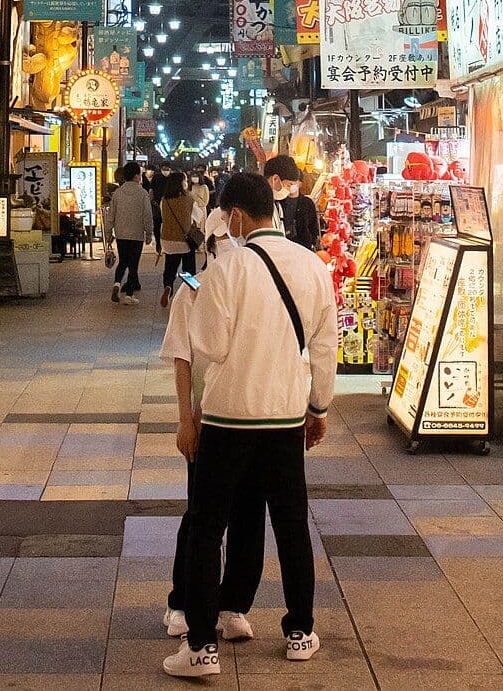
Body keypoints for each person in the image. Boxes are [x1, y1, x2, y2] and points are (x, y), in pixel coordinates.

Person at [165, 172, 337, 677]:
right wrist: (319, 408)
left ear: (236, 214)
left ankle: (201, 648)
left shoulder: (226, 269)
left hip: (228, 418)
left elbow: (210, 345)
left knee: (207, 527)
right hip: (285, 417)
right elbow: (324, 347)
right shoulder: (313, 266)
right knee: (291, 525)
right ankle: (300, 631)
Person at [158, 260, 266, 649]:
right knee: (201, 515)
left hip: (254, 416)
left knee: (249, 512)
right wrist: (185, 419)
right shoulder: (192, 291)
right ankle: (182, 602)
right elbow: (182, 358)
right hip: (208, 421)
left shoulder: (259, 287)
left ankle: (234, 604)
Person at [108, 162, 154, 303]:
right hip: (136, 234)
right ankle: (129, 295)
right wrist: (148, 233)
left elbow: (111, 214)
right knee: (133, 264)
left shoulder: (118, 193)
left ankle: (117, 284)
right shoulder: (142, 193)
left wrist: (108, 232)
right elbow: (147, 215)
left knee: (123, 261)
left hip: (121, 233)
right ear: (136, 176)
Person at [264, 155, 321, 252]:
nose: (289, 190)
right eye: (288, 185)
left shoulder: (277, 205)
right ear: (275, 179)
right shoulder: (260, 205)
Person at [158, 172, 199, 307]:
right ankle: (191, 292)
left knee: (170, 267)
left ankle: (168, 287)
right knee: (188, 268)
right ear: (182, 183)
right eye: (185, 180)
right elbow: (198, 216)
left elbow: (163, 217)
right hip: (184, 240)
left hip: (168, 240)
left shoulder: (164, 200)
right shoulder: (189, 199)